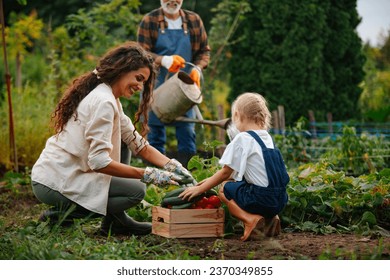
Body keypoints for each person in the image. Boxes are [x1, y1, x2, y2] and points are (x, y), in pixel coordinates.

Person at [31, 41, 195, 236]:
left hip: (69, 171)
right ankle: (59, 216)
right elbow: (99, 162)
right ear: (122, 70)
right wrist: (149, 174)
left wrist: (172, 165)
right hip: (55, 180)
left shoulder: (110, 98)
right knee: (136, 191)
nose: (140, 86)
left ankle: (116, 222)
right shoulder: (104, 102)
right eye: (138, 78)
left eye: (143, 82)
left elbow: (138, 144)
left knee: (124, 145)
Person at [179, 93, 290, 241]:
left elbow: (226, 173)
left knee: (224, 189)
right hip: (280, 200)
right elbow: (244, 173)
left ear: (237, 115)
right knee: (245, 186)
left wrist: (200, 189)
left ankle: (250, 220)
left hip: (260, 199)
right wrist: (207, 181)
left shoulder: (243, 138)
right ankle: (271, 219)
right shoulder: (266, 138)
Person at [136, 0, 211, 167]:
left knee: (186, 132)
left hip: (185, 87)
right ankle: (157, 181)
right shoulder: (150, 21)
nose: (172, 0)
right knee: (155, 134)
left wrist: (197, 68)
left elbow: (204, 51)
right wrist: (162, 60)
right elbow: (141, 52)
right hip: (155, 86)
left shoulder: (193, 20)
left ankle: (187, 179)